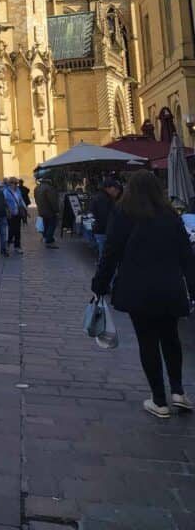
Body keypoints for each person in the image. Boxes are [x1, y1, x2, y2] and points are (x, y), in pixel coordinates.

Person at [92, 171, 195, 419]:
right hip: (169, 287)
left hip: (138, 288)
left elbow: (111, 252)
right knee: (170, 338)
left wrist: (100, 284)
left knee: (147, 342)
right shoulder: (170, 216)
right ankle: (178, 391)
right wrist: (192, 288)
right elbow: (186, 257)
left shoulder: (124, 213)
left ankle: (159, 400)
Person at [89, 176, 122, 259]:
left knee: (104, 252)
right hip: (104, 231)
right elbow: (105, 217)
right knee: (104, 254)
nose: (117, 191)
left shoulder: (103, 197)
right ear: (108, 188)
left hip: (101, 230)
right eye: (116, 189)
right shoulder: (103, 199)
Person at [34, 171, 60, 248]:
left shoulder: (37, 188)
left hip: (41, 210)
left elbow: (36, 200)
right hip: (50, 211)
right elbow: (53, 201)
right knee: (52, 225)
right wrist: (56, 210)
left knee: (46, 224)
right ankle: (48, 240)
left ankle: (47, 238)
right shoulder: (49, 188)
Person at [4, 179, 25, 254]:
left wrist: (25, 209)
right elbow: (4, 202)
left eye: (17, 183)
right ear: (10, 184)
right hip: (11, 213)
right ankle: (8, 243)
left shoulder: (18, 191)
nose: (16, 185)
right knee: (12, 229)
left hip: (18, 212)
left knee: (18, 230)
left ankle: (17, 246)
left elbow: (21, 200)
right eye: (14, 183)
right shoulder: (6, 191)